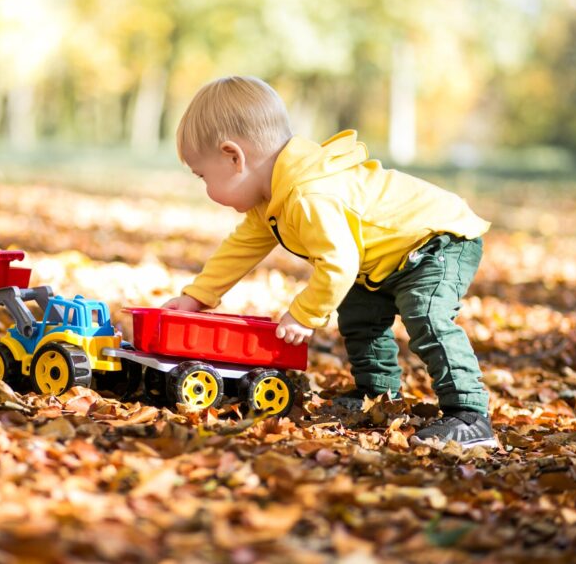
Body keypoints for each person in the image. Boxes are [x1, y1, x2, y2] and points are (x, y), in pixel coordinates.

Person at [162, 75, 496, 449]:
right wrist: (197, 297)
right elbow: (241, 248)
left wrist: (304, 312)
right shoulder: (273, 198)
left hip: (435, 240)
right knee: (359, 315)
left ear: (234, 157)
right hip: (383, 259)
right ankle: (377, 394)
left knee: (425, 314)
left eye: (202, 176)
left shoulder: (308, 194)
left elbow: (339, 263)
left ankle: (469, 414)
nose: (204, 188)